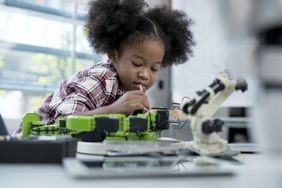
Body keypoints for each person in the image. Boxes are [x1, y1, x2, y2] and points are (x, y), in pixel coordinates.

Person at [15, 0, 195, 134]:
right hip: (31, 146)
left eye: (154, 69)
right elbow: (64, 121)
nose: (145, 74)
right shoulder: (100, 80)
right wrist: (114, 109)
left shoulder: (129, 85)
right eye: (137, 63)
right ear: (113, 55)